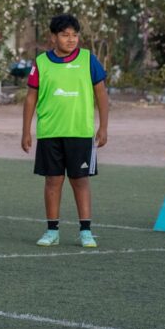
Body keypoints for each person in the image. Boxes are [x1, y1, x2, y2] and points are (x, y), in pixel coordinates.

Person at [20, 14, 109, 248]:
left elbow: (101, 94)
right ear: (53, 38)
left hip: (79, 133)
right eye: (65, 35)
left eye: (75, 35)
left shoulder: (89, 60)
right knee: (52, 181)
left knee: (80, 181)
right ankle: (52, 231)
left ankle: (86, 231)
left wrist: (104, 127)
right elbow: (31, 98)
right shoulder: (41, 62)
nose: (71, 40)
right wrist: (26, 131)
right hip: (50, 132)